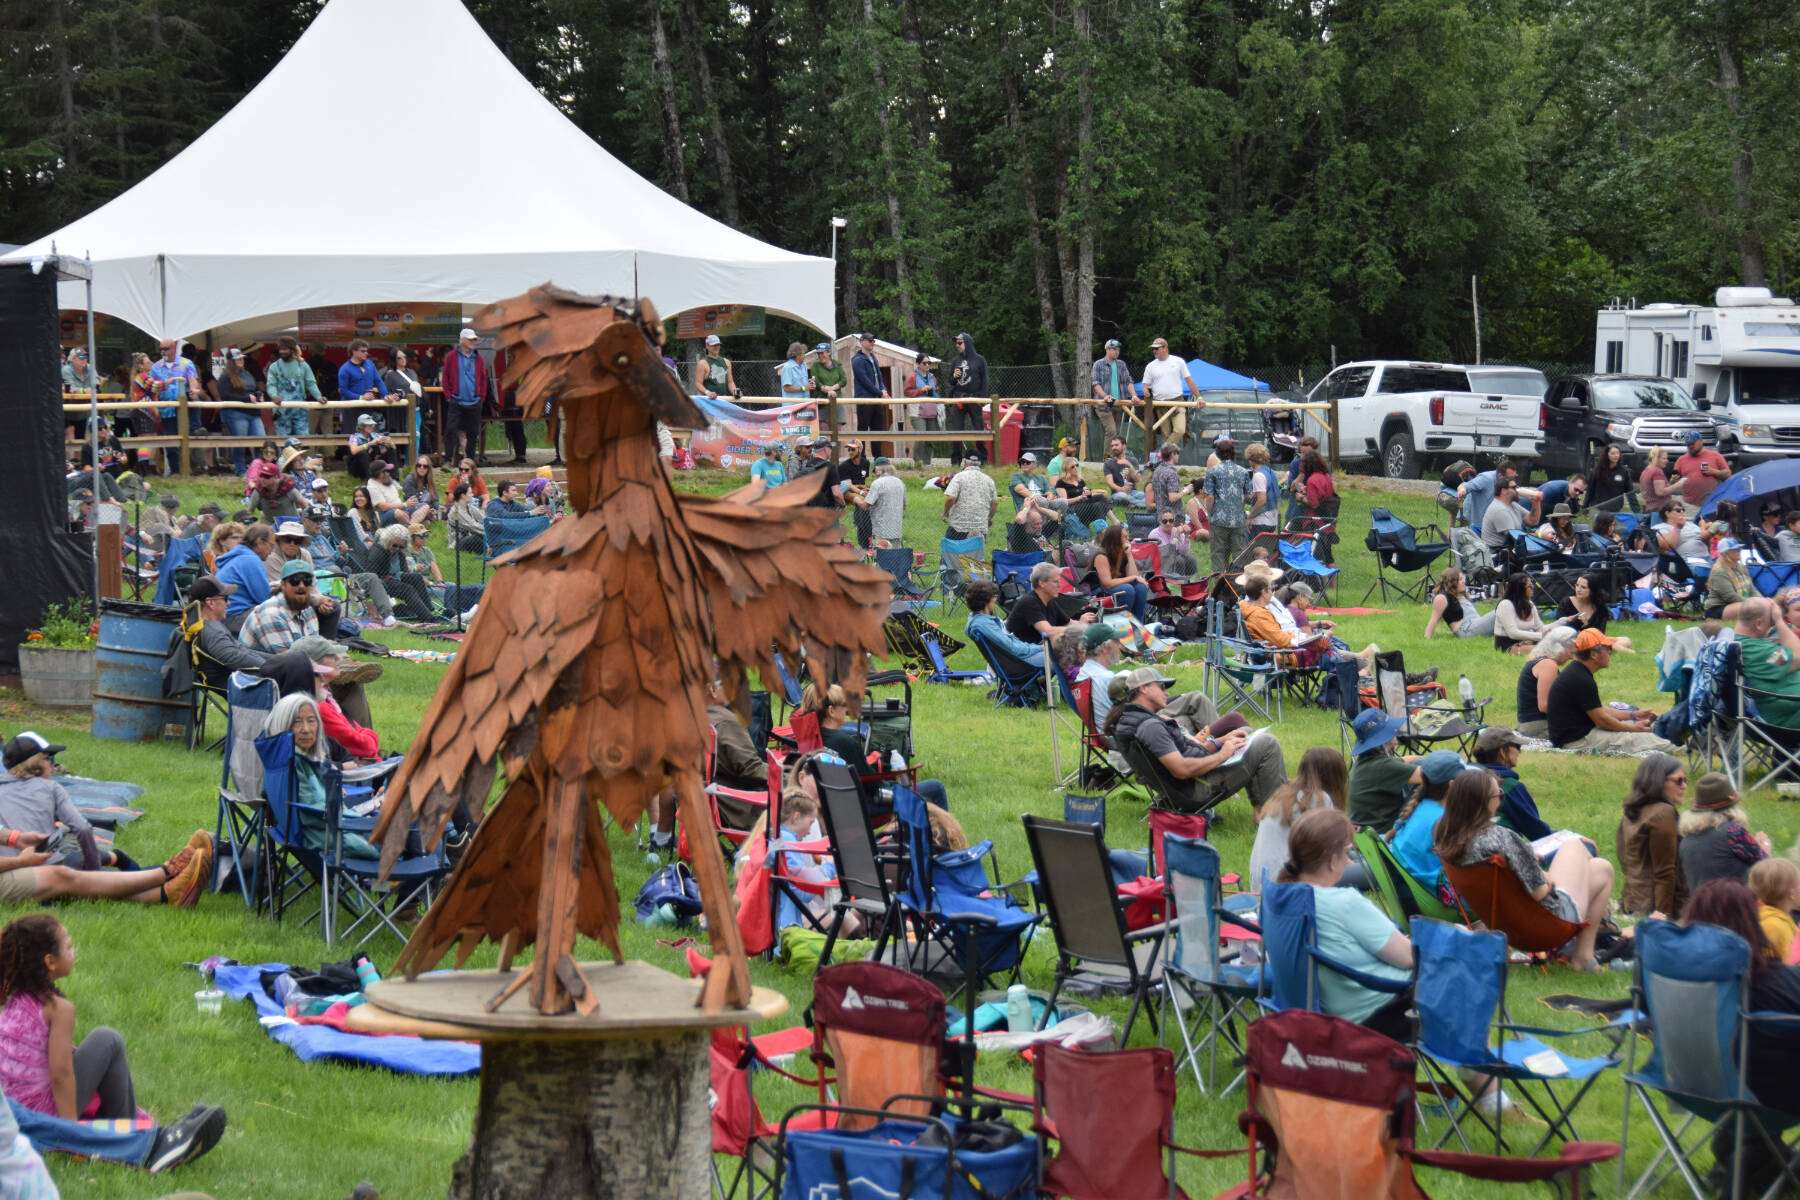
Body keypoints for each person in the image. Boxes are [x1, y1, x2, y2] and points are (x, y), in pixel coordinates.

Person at [0, 912, 221, 1144]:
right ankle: (133, 1134)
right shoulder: (57, 1008)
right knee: (108, 1040)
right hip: (44, 1117)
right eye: (68, 947)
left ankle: (143, 1125)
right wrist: (68, 1133)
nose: (73, 951)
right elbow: (61, 1075)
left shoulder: (15, 1000)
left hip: (16, 1112)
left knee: (102, 1052)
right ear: (50, 962)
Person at [1679, 879, 1800, 1192]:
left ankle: (1757, 1159)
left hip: (1689, 1088)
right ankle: (1762, 1161)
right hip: (1768, 1099)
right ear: (1751, 921)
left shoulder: (1674, 979)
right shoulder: (1775, 981)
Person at [1434, 767, 1614, 969]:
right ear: (1485, 802)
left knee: (1601, 868)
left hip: (1505, 926)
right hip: (1545, 925)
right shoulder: (1502, 838)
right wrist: (1543, 875)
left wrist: (1525, 859)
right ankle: (1585, 950)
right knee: (1574, 845)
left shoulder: (1446, 836)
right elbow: (1540, 893)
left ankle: (1584, 957)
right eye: (1498, 795)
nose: (1500, 800)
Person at [1276, 808, 1414, 1039]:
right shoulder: (1344, 902)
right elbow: (1409, 957)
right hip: (1380, 1013)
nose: (1350, 861)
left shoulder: (1279, 898)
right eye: (1347, 853)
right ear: (1331, 860)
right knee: (1461, 975)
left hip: (1325, 1013)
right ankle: (1478, 1071)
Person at [1107, 666, 1288, 812]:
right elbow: (1181, 770)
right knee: (1267, 743)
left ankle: (1262, 809)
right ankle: (1276, 817)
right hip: (1197, 789)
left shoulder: (1134, 720)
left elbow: (1184, 755)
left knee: (1244, 734)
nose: (1167, 693)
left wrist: (1220, 741)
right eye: (1162, 687)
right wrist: (1221, 755)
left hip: (1187, 784)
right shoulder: (1149, 727)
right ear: (1144, 688)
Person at [1546, 628, 1670, 752]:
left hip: (1582, 733)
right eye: (1607, 649)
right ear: (1594, 654)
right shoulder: (1580, 678)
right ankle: (1684, 746)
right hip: (1578, 741)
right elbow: (1602, 720)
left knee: (1639, 725)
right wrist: (1632, 729)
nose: (1610, 652)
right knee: (1643, 739)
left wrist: (1632, 715)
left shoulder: (1577, 672)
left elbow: (1598, 709)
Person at [1249, 747, 1350, 893]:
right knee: (1370, 870)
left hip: (1262, 880)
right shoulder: (1319, 799)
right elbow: (1328, 852)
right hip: (1287, 883)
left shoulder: (1284, 794)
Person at [1615, 752, 1689, 919]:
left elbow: (1625, 862)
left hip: (1632, 902)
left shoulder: (1631, 813)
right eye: (1678, 780)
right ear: (1658, 781)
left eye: (1685, 781)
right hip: (1656, 907)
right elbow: (1665, 872)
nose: (1684, 786)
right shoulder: (1663, 813)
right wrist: (1663, 916)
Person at [1679, 772, 1771, 892]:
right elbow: (1768, 871)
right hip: (1734, 906)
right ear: (1732, 807)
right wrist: (1765, 848)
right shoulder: (1733, 832)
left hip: (1700, 908)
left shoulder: (1686, 841)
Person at [1470, 725, 1552, 841]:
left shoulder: (1464, 777)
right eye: (1517, 746)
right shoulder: (1509, 785)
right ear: (1503, 752)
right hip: (1500, 849)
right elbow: (1538, 832)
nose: (1520, 751)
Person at [239, 560, 342, 651]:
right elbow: (292, 662)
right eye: (295, 581)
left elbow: (313, 648)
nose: (301, 586)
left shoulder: (307, 609)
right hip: (258, 671)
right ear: (283, 585)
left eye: (307, 581)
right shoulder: (271, 614)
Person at [1345, 708, 1419, 834]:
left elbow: (1402, 761)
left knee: (1418, 764)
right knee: (1433, 786)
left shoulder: (1366, 762)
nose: (1395, 730)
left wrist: (1422, 758)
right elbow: (1433, 774)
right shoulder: (1384, 767)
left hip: (1364, 840)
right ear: (1383, 737)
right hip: (1383, 839)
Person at [964, 578, 1045, 670]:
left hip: (1015, 660)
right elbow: (1014, 649)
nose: (995, 599)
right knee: (1062, 657)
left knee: (1057, 652)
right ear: (986, 600)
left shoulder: (977, 620)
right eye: (993, 596)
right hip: (1020, 663)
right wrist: (1040, 648)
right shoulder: (983, 624)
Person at [1515, 625, 1578, 738]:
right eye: (1571, 653)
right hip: (1538, 726)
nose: (1572, 657)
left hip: (1530, 724)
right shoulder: (1548, 665)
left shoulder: (1539, 661)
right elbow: (1545, 706)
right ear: (1560, 647)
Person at [1201, 434, 1250, 574]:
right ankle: (1239, 581)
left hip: (1219, 518)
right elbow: (1248, 495)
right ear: (1233, 453)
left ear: (1218, 454)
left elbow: (1209, 496)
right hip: (1238, 519)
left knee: (1218, 552)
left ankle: (1219, 582)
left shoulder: (1213, 471)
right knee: (1239, 553)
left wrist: (1210, 513)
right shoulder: (1243, 471)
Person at [1140, 337, 1202, 446]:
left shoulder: (1178, 361)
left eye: (1157, 348)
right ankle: (1165, 461)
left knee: (1180, 430)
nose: (1154, 351)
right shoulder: (1150, 366)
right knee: (1166, 434)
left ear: (1165, 348)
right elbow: (1145, 386)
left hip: (1177, 402)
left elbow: (1189, 380)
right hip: (1161, 404)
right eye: (1153, 349)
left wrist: (1199, 397)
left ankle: (1160, 455)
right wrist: (1145, 391)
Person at [213, 348, 265, 475]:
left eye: (241, 358)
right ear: (232, 361)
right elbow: (224, 394)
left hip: (253, 412)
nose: (241, 360)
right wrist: (246, 398)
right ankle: (240, 470)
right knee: (240, 442)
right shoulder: (225, 376)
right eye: (238, 359)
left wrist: (258, 395)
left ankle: (258, 469)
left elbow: (252, 389)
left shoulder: (247, 374)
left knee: (261, 440)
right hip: (235, 413)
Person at [441, 328, 489, 463]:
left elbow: (483, 378)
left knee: (473, 433)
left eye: (474, 339)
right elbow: (445, 377)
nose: (473, 342)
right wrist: (448, 396)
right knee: (450, 430)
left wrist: (482, 397)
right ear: (462, 340)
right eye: (470, 339)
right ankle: (448, 459)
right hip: (456, 400)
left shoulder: (478, 357)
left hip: (474, 401)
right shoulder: (451, 356)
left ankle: (471, 460)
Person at [265, 335, 321, 439]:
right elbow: (271, 385)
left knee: (303, 439)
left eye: (285, 349)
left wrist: (319, 397)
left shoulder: (303, 365)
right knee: (282, 440)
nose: (282, 352)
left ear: (292, 349)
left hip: (299, 409)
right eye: (280, 349)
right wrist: (274, 396)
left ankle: (302, 455)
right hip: (281, 409)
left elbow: (311, 383)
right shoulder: (274, 367)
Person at [944, 332, 988, 463]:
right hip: (959, 399)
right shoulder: (955, 361)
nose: (957, 346)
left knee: (979, 428)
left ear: (967, 343)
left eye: (959, 343)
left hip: (975, 399)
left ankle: (983, 459)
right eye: (956, 343)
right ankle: (956, 460)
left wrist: (982, 398)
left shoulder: (979, 360)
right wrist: (954, 376)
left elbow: (985, 380)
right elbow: (950, 382)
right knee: (956, 430)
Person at [1423, 567, 1497, 641]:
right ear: (1451, 582)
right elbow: (1433, 620)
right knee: (1500, 610)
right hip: (1466, 630)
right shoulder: (1442, 597)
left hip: (1475, 624)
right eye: (1460, 579)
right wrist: (1427, 639)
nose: (1464, 581)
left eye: (1463, 578)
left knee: (1503, 609)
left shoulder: (1460, 594)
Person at [1092, 525, 1148, 620]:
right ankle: (1121, 624)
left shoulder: (1123, 552)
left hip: (1119, 586)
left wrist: (1129, 555)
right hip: (1100, 590)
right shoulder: (1101, 555)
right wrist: (1133, 578)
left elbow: (1134, 576)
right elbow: (1107, 583)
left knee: (1140, 587)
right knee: (1127, 589)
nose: (1128, 539)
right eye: (1125, 537)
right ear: (1115, 539)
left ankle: (1138, 626)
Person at [1089, 339, 1137, 446]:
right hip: (1104, 404)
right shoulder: (1098, 364)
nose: (1117, 352)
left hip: (1119, 403)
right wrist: (1105, 396)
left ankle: (1114, 458)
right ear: (1107, 350)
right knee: (1111, 431)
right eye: (1114, 349)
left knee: (1115, 435)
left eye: (1118, 350)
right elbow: (1095, 383)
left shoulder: (1121, 364)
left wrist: (1134, 395)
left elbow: (1128, 381)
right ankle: (1108, 458)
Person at [1493, 573, 1557, 653]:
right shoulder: (1505, 604)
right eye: (1530, 586)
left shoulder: (1529, 604)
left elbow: (1540, 628)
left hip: (1528, 641)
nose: (1533, 587)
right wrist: (1541, 636)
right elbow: (1513, 633)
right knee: (1546, 650)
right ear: (1520, 589)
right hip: (1508, 644)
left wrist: (1563, 622)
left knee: (1558, 646)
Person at [942, 454, 998, 540]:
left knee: (951, 551)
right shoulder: (989, 480)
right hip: (980, 529)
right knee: (976, 553)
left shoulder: (958, 477)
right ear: (979, 464)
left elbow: (950, 498)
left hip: (958, 527)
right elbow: (994, 503)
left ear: (964, 463)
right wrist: (989, 518)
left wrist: (945, 513)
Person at [1673, 430, 1731, 512]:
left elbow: (1728, 474)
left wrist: (1714, 472)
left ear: (1700, 441)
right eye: (1688, 444)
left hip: (1712, 503)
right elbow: (1673, 477)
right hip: (1689, 505)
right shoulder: (1681, 460)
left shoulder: (1715, 456)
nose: (1690, 446)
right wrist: (1674, 477)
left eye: (1692, 443)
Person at [850, 333, 889, 452]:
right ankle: (859, 457)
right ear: (862, 342)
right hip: (865, 398)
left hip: (876, 398)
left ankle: (878, 456)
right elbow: (864, 380)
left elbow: (879, 377)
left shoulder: (873, 358)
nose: (872, 343)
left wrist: (884, 390)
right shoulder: (857, 360)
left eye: (873, 341)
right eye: (870, 340)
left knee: (877, 428)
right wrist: (880, 392)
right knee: (862, 428)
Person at [1706, 537, 1762, 620]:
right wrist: (1753, 603)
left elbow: (1752, 590)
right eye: (1735, 549)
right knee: (1749, 609)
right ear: (1725, 553)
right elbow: (1730, 597)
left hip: (1739, 604)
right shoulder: (1720, 572)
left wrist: (1762, 601)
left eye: (1739, 548)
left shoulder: (1742, 568)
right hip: (1718, 609)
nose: (1739, 551)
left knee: (1763, 606)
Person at [336, 338, 387, 428]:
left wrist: (385, 395)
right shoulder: (345, 369)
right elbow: (343, 390)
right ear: (354, 351)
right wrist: (361, 397)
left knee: (369, 436)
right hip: (351, 408)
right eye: (363, 351)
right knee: (353, 437)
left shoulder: (370, 364)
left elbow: (378, 381)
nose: (366, 353)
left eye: (367, 351)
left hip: (368, 407)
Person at [1480, 477, 1538, 552]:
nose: (1517, 490)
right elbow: (1515, 538)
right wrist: (1540, 536)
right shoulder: (1500, 510)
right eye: (1514, 488)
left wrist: (1536, 503)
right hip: (1500, 556)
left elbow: (1533, 521)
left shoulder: (1513, 505)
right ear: (1504, 491)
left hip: (1510, 551)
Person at [903, 353, 940, 463]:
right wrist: (921, 390)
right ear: (918, 364)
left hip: (932, 411)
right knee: (921, 436)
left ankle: (927, 462)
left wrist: (933, 391)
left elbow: (936, 390)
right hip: (917, 412)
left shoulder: (932, 377)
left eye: (929, 363)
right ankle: (918, 462)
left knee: (931, 438)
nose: (927, 365)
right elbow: (907, 392)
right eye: (925, 363)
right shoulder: (912, 377)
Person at [861, 458, 905, 548]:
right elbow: (904, 506)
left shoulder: (877, 483)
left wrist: (854, 498)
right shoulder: (900, 483)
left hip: (881, 532)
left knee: (880, 560)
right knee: (896, 560)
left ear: (878, 469)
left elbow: (865, 505)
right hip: (897, 531)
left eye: (874, 471)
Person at [1245, 442, 1281, 541]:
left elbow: (1262, 501)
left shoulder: (1258, 476)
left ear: (1252, 459)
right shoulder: (1271, 472)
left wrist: (1250, 517)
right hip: (1273, 520)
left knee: (1253, 552)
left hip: (1260, 521)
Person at [1148, 509, 1198, 577]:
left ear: (1174, 521)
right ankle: (1177, 583)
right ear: (1160, 522)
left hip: (1173, 557)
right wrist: (1176, 536)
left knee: (1191, 559)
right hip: (1161, 561)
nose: (1168, 523)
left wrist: (1186, 536)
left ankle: (1191, 582)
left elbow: (1185, 552)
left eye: (1171, 521)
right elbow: (1169, 553)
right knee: (1179, 560)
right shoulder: (1154, 534)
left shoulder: (1175, 530)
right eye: (1165, 521)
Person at [1587, 443, 1635, 512]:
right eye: (1613, 453)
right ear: (1607, 455)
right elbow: (1590, 490)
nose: (1616, 455)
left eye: (1618, 453)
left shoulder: (1623, 471)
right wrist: (1585, 507)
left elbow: (1630, 492)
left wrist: (1636, 510)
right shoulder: (1597, 470)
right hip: (1598, 508)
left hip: (1615, 510)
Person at [1102, 436, 1145, 507]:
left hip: (1133, 492)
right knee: (1122, 497)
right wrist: (1121, 489)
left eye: (1116, 445)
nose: (1114, 448)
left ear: (1124, 446)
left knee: (1147, 495)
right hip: (1118, 493)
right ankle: (1140, 504)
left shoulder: (1133, 460)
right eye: (1112, 446)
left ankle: (1134, 504)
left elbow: (1137, 479)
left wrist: (1129, 464)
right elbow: (1110, 483)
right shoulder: (1108, 463)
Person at [808, 341, 847, 416]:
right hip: (821, 398)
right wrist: (826, 389)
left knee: (838, 425)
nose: (820, 355)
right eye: (818, 353)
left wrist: (833, 388)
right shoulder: (815, 365)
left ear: (829, 353)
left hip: (836, 397)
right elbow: (815, 381)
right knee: (823, 425)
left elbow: (844, 380)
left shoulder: (837, 364)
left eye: (822, 353)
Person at [694, 333, 737, 400]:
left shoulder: (726, 362)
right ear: (707, 346)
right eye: (714, 345)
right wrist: (708, 393)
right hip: (709, 400)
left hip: (724, 399)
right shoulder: (703, 363)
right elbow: (698, 383)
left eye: (718, 345)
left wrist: (735, 392)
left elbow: (730, 382)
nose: (716, 347)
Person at [1147, 441, 1183, 519]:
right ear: (1172, 454)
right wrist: (1186, 491)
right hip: (1173, 517)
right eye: (1177, 453)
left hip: (1161, 517)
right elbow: (1172, 498)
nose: (1178, 455)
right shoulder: (1171, 472)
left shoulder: (1157, 471)